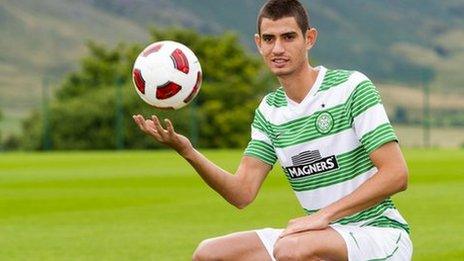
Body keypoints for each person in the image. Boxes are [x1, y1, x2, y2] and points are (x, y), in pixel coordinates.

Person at [133, 0, 413, 260]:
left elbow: (396, 174)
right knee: (209, 254)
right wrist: (187, 151)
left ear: (309, 39)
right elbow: (241, 193)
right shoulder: (269, 111)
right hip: (314, 234)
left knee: (291, 248)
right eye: (269, 39)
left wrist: (323, 216)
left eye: (288, 37)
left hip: (377, 232)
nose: (277, 48)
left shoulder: (351, 88)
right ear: (258, 43)